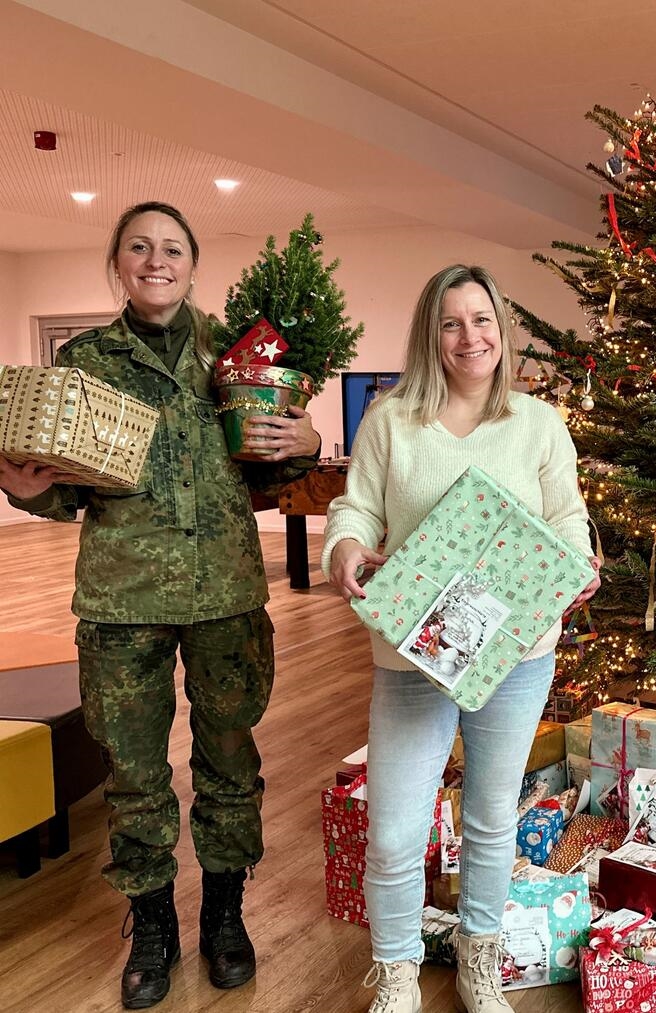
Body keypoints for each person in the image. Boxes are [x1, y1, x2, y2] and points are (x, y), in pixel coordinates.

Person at [0, 201, 321, 1009]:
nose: (156, 260)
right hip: (121, 598)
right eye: (139, 247)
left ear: (192, 263)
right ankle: (151, 924)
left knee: (229, 761)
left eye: (172, 247)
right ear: (118, 262)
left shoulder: (237, 353)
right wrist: (19, 488)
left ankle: (222, 915)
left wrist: (308, 442)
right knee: (134, 771)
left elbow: (272, 469)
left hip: (227, 597)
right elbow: (63, 490)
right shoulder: (82, 363)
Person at [323, 264, 599, 1013]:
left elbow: (569, 518)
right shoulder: (390, 420)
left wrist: (580, 563)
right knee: (394, 829)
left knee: (489, 816)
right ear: (430, 334)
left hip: (517, 653)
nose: (469, 336)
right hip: (415, 656)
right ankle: (398, 974)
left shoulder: (539, 423)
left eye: (482, 320)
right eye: (451, 322)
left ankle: (480, 962)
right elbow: (354, 511)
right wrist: (346, 550)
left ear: (502, 331)